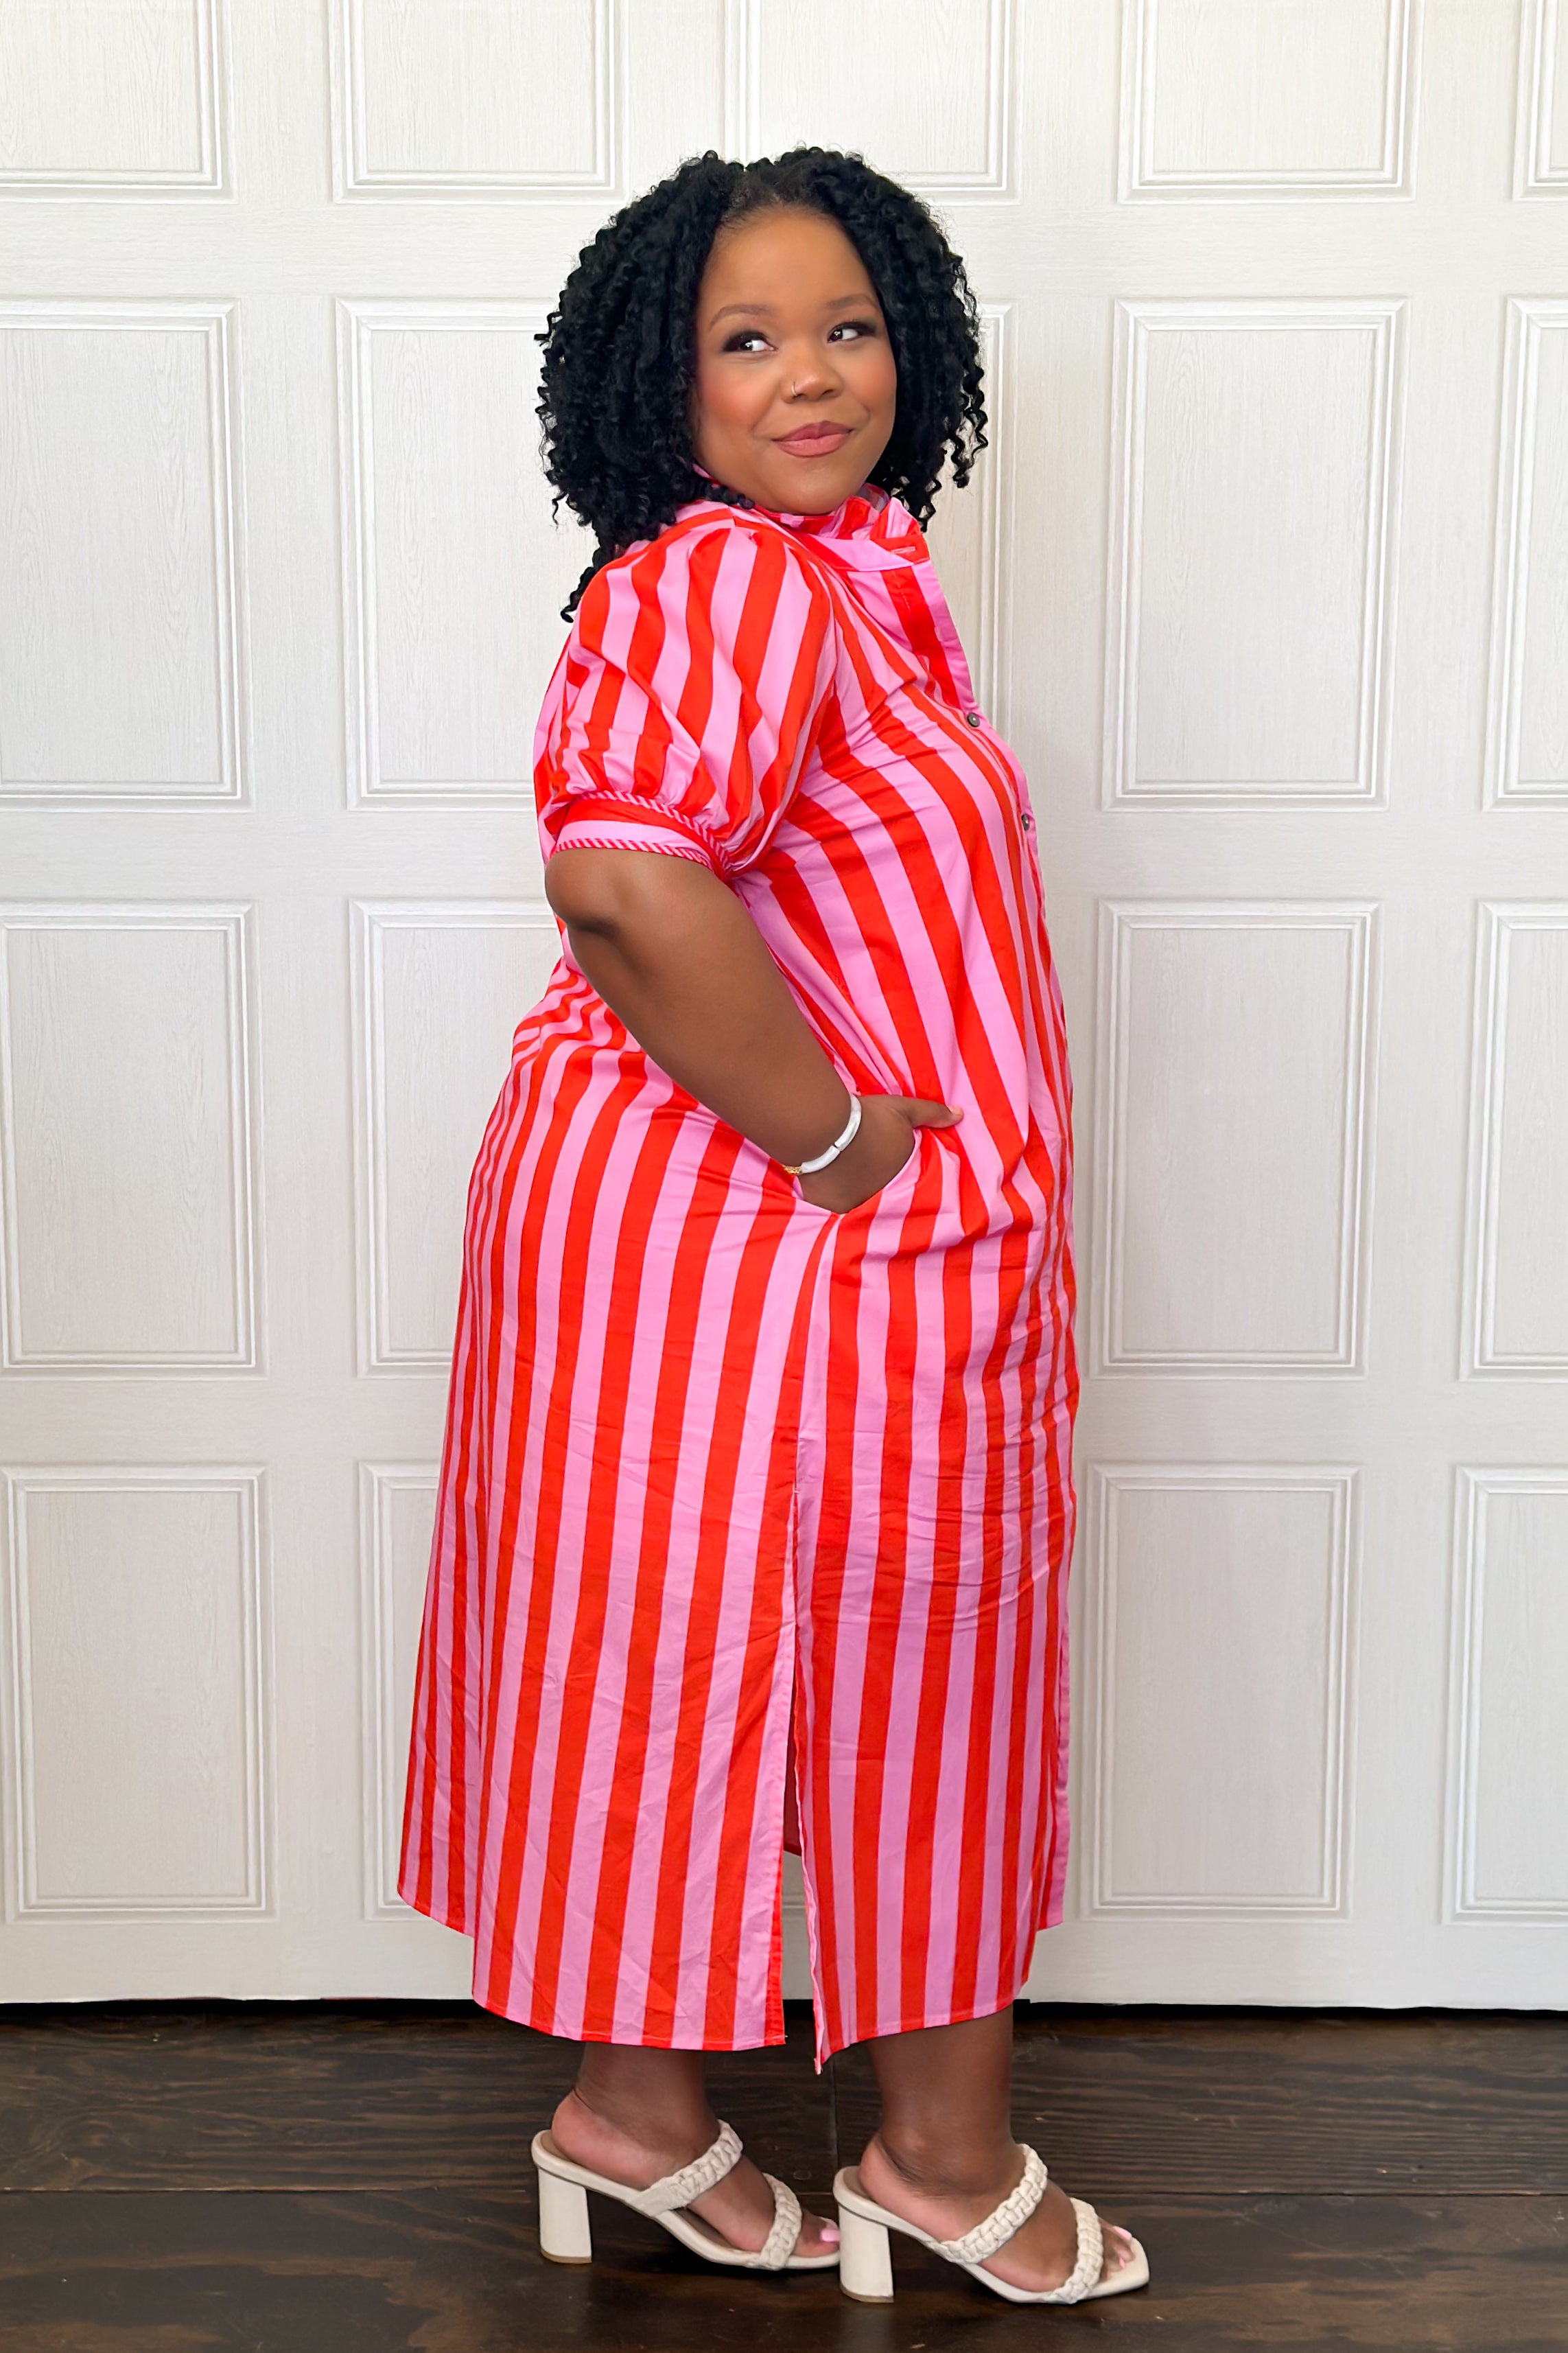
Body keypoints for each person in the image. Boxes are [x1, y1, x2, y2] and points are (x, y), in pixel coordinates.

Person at [399, 146, 1147, 2308]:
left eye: (847, 326)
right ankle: (943, 2160)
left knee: (670, 1656)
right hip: (766, 1250)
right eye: (747, 339)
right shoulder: (735, 579)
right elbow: (626, 877)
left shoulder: (838, 575)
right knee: (920, 1668)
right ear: (665, 379)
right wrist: (842, 1149)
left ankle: (637, 2123)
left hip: (725, 1256)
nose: (810, 374)